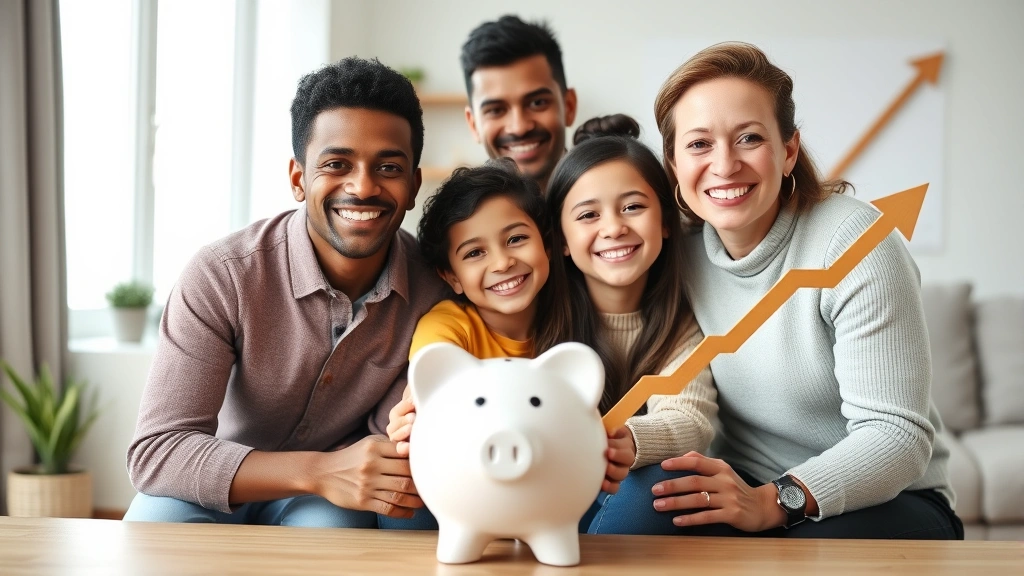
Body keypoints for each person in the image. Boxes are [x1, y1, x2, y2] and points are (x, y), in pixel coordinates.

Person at [622, 41, 960, 539]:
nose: (724, 164)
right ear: (673, 167)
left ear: (788, 151)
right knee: (637, 507)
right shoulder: (676, 250)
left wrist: (776, 500)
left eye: (749, 138)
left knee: (800, 554)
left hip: (887, 500)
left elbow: (897, 439)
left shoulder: (856, 244)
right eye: (698, 144)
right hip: (744, 482)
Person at [123, 57, 449, 528]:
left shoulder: (432, 293)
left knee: (331, 538)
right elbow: (157, 452)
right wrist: (318, 470)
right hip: (215, 483)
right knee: (152, 535)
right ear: (298, 179)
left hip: (329, 501)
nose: (363, 186)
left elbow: (390, 445)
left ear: (414, 184)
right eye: (337, 164)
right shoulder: (223, 275)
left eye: (389, 167)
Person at [386, 159, 631, 505]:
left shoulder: (578, 314)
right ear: (451, 277)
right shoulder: (447, 326)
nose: (502, 263)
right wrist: (412, 421)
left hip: (558, 491)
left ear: (547, 244)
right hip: (473, 490)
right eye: (474, 253)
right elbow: (426, 398)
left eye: (516, 239)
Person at [534, 114, 718, 533]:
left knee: (660, 480)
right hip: (540, 482)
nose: (614, 228)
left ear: (666, 222)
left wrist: (626, 440)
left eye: (633, 207)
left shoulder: (680, 324)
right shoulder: (538, 316)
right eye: (587, 215)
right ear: (560, 239)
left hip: (625, 484)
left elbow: (691, 418)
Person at [460, 14, 577, 192]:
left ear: (569, 106)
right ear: (473, 125)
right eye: (496, 110)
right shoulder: (458, 219)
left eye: (537, 103)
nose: (519, 127)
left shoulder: (617, 208)